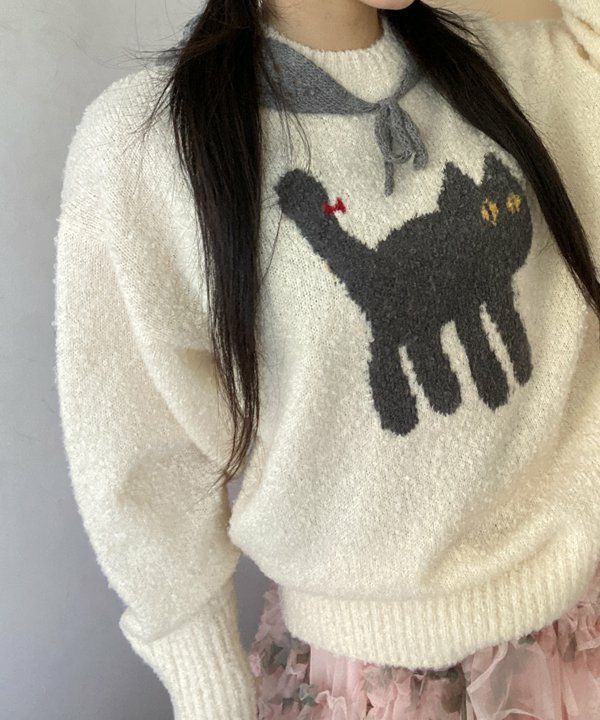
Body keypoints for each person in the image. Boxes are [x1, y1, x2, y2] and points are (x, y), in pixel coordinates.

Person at [53, 0, 600, 718]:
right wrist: (206, 685)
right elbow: (142, 455)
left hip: (579, 631)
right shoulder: (149, 144)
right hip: (371, 680)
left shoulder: (523, 64)